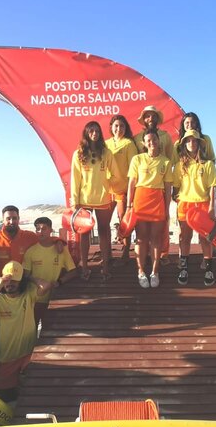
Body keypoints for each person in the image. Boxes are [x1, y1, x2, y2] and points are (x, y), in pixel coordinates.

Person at [0, 261, 52, 399]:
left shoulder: (28, 294)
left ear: (21, 281)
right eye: (7, 280)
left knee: (30, 393)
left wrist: (29, 277)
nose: (10, 284)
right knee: (4, 397)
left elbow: (46, 285)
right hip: (7, 358)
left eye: (14, 280)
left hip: (28, 356)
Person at [127, 128, 173, 288]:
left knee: (156, 239)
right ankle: (140, 271)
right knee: (141, 238)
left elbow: (168, 188)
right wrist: (128, 205)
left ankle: (155, 271)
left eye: (154, 140)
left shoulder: (166, 162)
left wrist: (167, 209)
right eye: (148, 141)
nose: (152, 143)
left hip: (157, 201)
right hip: (140, 200)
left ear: (159, 141)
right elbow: (131, 184)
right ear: (144, 143)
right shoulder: (137, 159)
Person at [173, 131, 216, 286]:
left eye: (194, 140)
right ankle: (184, 268)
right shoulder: (180, 165)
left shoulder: (208, 164)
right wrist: (177, 198)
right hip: (185, 205)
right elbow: (176, 187)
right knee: (184, 238)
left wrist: (212, 207)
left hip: (203, 204)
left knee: (205, 239)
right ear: (184, 144)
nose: (191, 143)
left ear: (199, 143)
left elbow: (213, 187)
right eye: (188, 141)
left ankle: (209, 269)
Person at [70, 121, 115, 280]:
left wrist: (108, 186)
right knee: (84, 235)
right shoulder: (78, 154)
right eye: (91, 131)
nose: (94, 134)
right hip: (85, 200)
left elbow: (114, 174)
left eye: (97, 131)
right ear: (86, 133)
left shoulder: (106, 152)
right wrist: (75, 201)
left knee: (104, 232)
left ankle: (105, 268)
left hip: (103, 199)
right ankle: (85, 268)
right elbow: (75, 179)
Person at [23, 217, 78, 326]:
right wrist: (37, 281)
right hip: (34, 299)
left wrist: (60, 282)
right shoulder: (30, 251)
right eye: (38, 229)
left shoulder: (61, 249)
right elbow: (25, 275)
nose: (40, 232)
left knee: (50, 330)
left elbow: (73, 271)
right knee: (32, 329)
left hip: (53, 299)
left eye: (44, 228)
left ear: (51, 230)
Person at [106, 114, 139, 265]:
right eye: (116, 126)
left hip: (122, 189)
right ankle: (107, 253)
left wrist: (131, 191)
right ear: (111, 127)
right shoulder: (105, 144)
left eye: (122, 126)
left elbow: (134, 168)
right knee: (104, 223)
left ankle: (125, 253)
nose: (119, 129)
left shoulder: (129, 144)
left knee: (124, 222)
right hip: (107, 190)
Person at [0, 205, 38, 273]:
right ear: (3, 220)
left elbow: (46, 240)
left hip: (23, 278)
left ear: (18, 219)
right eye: (8, 218)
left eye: (14, 218)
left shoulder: (29, 236)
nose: (11, 222)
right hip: (0, 279)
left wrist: (54, 240)